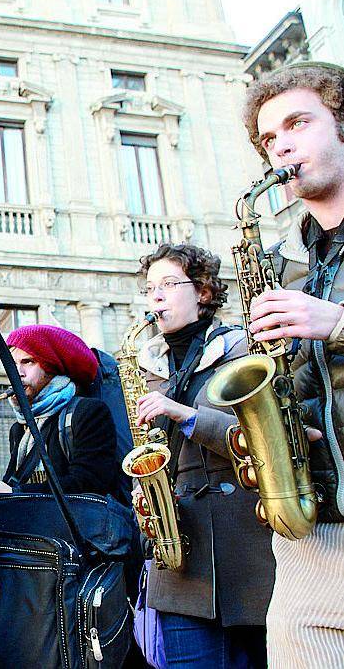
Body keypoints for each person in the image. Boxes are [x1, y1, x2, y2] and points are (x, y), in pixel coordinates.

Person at [241, 60, 344, 666]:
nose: (280, 146)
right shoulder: (294, 260)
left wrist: (337, 323)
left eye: (297, 123)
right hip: (317, 524)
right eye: (268, 139)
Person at [133, 243, 274, 668]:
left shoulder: (240, 347)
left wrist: (186, 415)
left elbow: (258, 439)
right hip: (180, 559)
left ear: (204, 292)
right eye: (150, 287)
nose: (155, 296)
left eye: (169, 284)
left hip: (248, 553)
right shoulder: (151, 365)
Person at [0, 324, 118, 497]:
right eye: (13, 364)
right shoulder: (20, 427)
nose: (17, 372)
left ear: (52, 367)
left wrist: (17, 493)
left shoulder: (88, 412)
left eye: (28, 362)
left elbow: (89, 483)